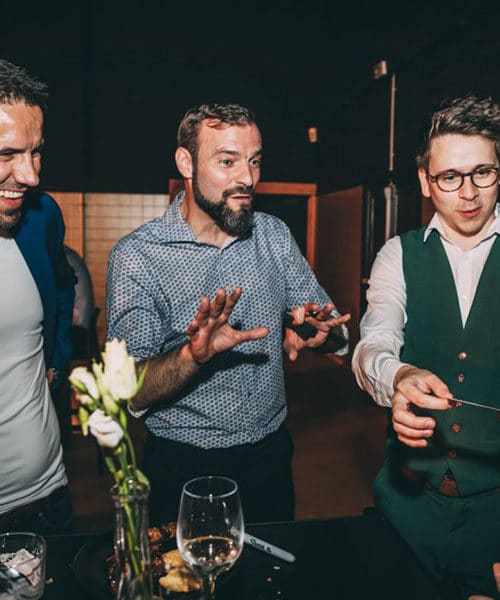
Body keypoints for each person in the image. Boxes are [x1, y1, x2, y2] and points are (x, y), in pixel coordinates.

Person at [107, 103, 350, 524]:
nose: (247, 178)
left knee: (274, 564)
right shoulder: (138, 256)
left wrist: (320, 335)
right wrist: (193, 355)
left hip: (269, 456)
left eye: (254, 161)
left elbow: (333, 331)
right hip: (181, 463)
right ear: (186, 162)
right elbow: (130, 388)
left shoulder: (273, 235)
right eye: (227, 161)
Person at [352, 94, 500, 599]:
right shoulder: (397, 255)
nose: (469, 193)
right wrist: (399, 375)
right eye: (449, 177)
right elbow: (374, 342)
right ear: (424, 180)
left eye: (483, 173)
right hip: (408, 510)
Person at [0, 59, 75, 533]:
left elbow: (63, 288)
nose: (29, 175)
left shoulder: (40, 215)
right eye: (7, 154)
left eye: (36, 152)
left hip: (49, 498)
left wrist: (56, 357)